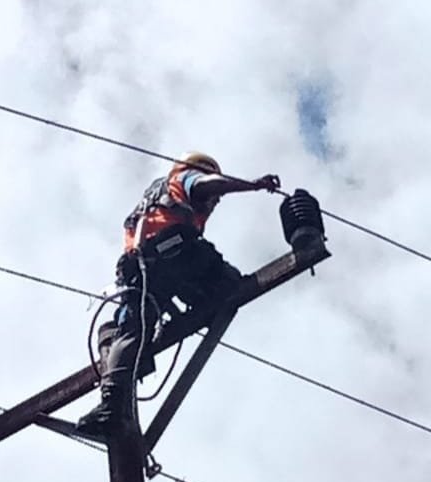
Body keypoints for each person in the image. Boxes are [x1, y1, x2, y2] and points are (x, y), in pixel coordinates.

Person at [75, 151, 281, 438]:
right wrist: (252, 185)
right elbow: (208, 185)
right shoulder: (185, 179)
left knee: (131, 331)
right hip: (177, 254)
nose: (216, 203)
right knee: (231, 285)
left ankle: (112, 405)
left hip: (144, 271)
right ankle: (113, 407)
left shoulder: (150, 201)